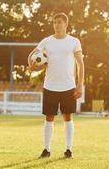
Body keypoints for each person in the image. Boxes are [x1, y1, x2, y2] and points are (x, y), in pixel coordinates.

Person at [28, 12, 84, 159]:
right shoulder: (46, 41)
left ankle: (68, 150)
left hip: (68, 86)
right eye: (54, 22)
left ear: (66, 24)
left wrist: (80, 85)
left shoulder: (74, 41)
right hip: (50, 85)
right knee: (49, 118)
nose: (57, 25)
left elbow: (80, 64)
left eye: (59, 22)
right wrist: (33, 66)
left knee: (68, 117)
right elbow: (32, 55)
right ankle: (46, 150)